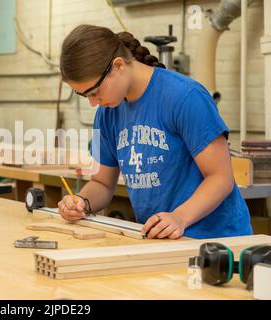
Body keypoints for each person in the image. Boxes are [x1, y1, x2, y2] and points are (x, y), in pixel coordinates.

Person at [57, 24, 252, 239]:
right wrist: (81, 202)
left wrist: (179, 217)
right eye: (85, 96)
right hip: (162, 241)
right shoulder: (108, 112)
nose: (93, 103)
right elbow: (102, 183)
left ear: (119, 66)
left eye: (95, 92)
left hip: (217, 241)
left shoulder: (185, 97)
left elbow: (220, 178)